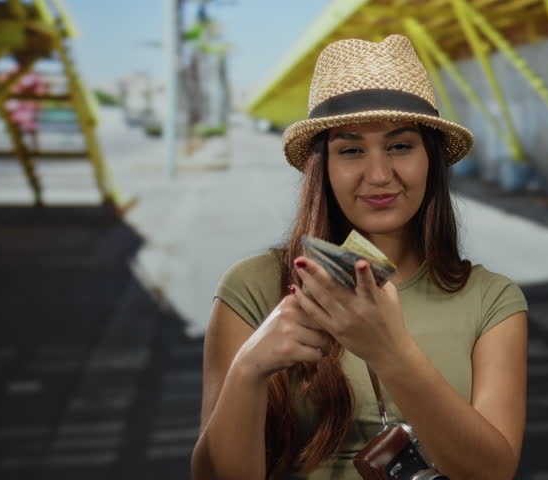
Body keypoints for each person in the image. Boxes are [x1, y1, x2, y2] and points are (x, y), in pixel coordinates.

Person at [192, 34, 528, 480]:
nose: (378, 175)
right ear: (323, 167)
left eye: (400, 146)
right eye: (350, 150)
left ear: (430, 157)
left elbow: (493, 472)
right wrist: (249, 368)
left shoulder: (492, 300)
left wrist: (389, 351)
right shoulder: (253, 287)